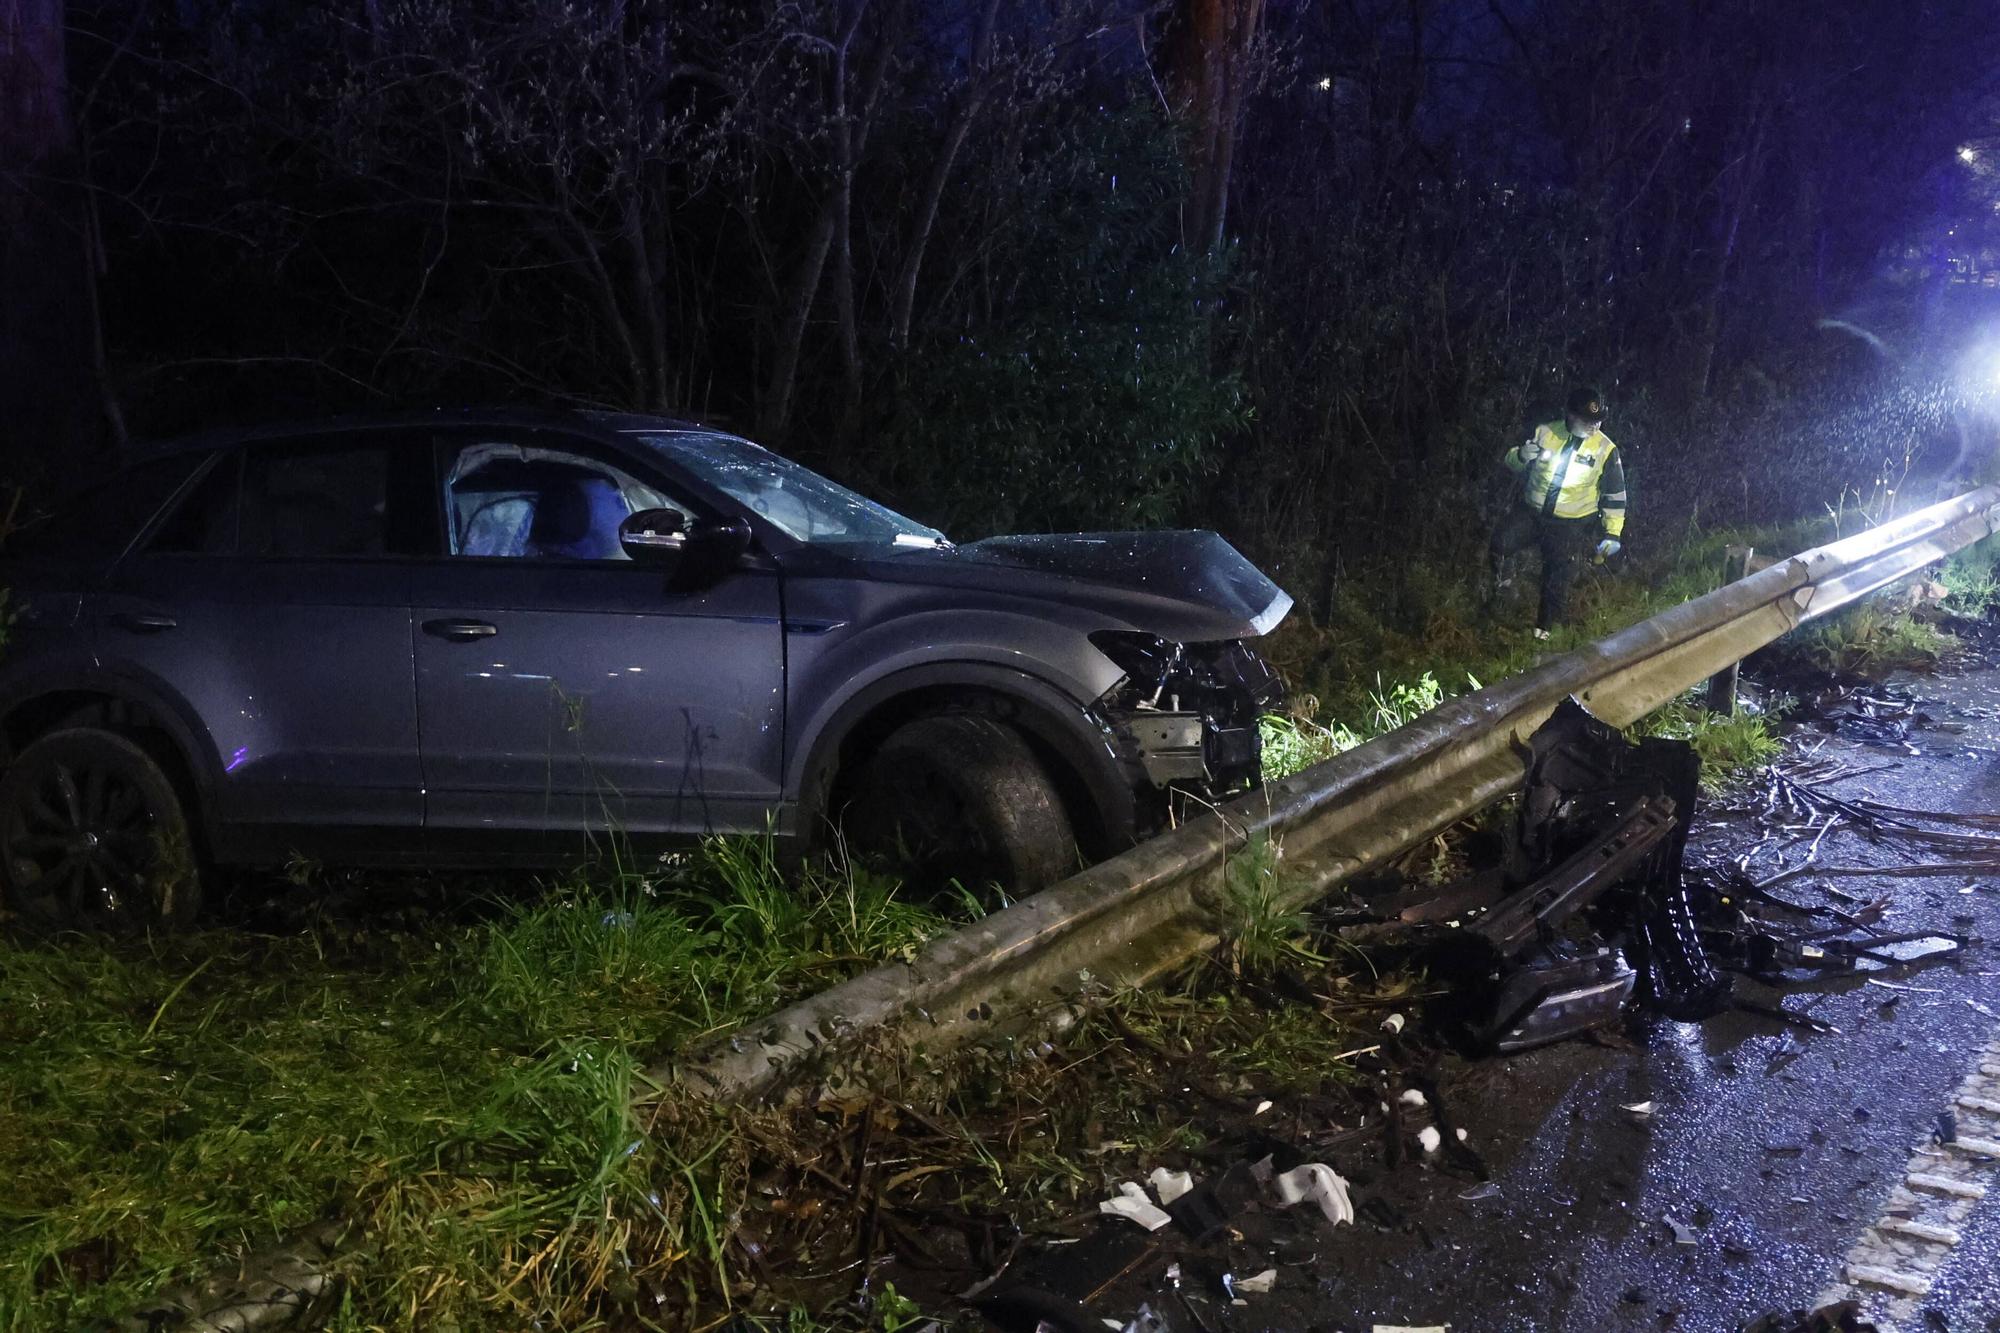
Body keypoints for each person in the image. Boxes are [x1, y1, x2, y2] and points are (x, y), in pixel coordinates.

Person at [1488, 386, 1627, 638]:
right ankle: (1501, 596)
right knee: (1500, 543)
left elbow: (1615, 496)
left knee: (1556, 579)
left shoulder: (1606, 450)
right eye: (1587, 421)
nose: (1593, 427)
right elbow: (1511, 462)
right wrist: (1520, 455)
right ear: (1570, 414)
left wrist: (1612, 534)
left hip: (1570, 524)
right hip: (1533, 513)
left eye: (1597, 421)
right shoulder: (1545, 432)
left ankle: (1544, 637)